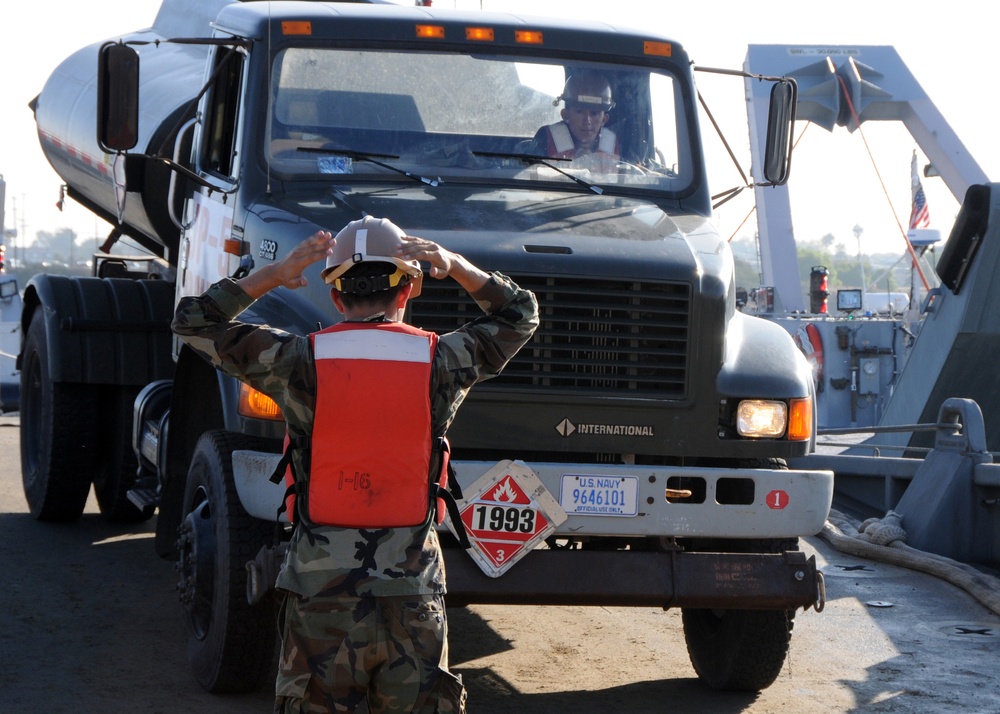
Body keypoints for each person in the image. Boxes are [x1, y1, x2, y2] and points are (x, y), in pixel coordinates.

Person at [171, 215, 539, 713]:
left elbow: (193, 320)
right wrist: (454, 267)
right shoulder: (442, 361)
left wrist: (274, 275)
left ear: (336, 297)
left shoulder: (297, 360)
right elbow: (520, 313)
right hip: (412, 593)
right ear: (408, 289)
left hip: (320, 593)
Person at [529, 71, 620, 167]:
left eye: (594, 114)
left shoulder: (614, 144)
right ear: (565, 115)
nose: (587, 121)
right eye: (580, 112)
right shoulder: (545, 138)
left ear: (604, 119)